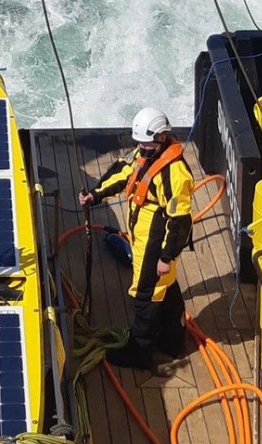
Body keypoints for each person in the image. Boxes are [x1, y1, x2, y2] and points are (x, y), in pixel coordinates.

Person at [79, 107, 193, 373]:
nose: (141, 148)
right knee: (165, 287)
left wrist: (166, 257)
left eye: (146, 143)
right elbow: (123, 175)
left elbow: (180, 220)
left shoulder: (174, 174)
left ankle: (140, 351)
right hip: (141, 236)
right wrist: (95, 195)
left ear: (162, 138)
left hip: (156, 241)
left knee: (145, 292)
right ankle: (173, 341)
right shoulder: (145, 154)